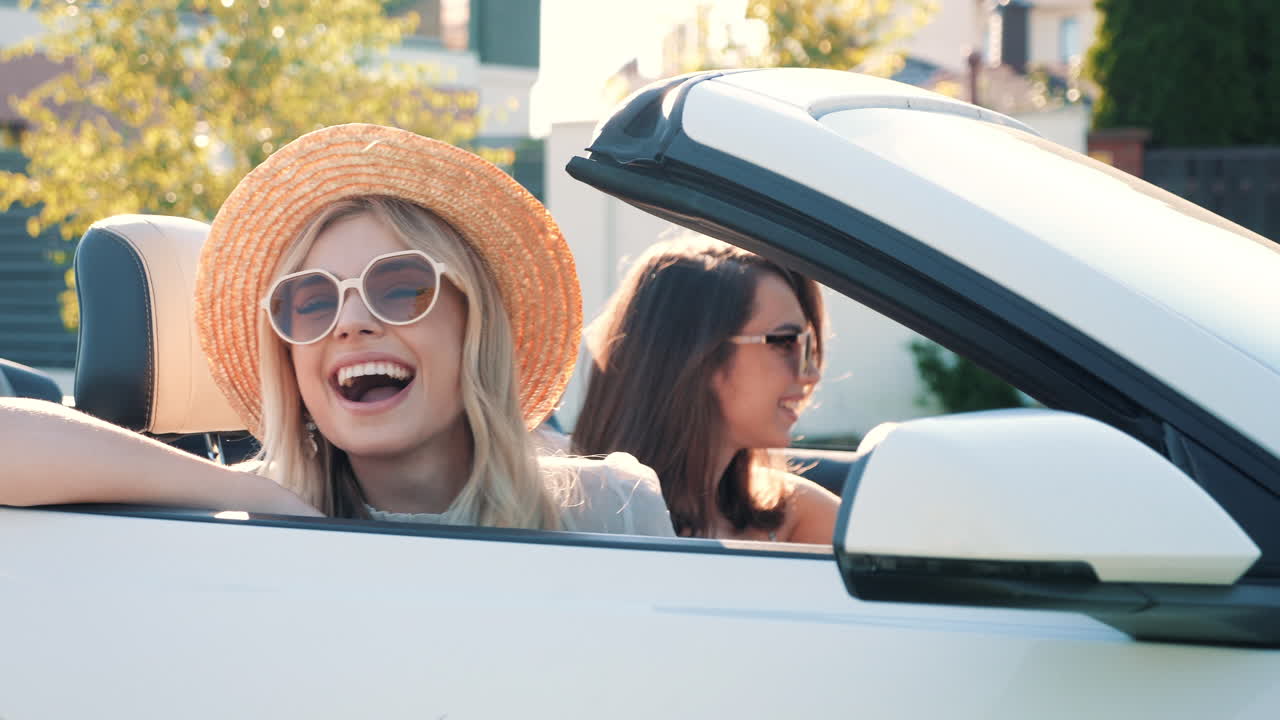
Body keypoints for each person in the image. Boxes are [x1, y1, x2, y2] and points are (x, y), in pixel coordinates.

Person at [0, 123, 672, 537]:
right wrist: (249, 495)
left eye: (401, 287)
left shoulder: (614, 507)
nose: (351, 322)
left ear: (475, 323)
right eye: (310, 302)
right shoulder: (240, 517)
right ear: (286, 355)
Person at [572, 236, 839, 543]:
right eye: (785, 342)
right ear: (696, 355)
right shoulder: (567, 517)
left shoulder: (798, 514)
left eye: (808, 346)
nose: (811, 375)